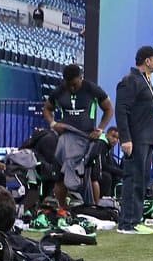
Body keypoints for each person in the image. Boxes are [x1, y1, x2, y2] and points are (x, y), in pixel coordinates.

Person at [43, 64, 113, 206]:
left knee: (92, 176)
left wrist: (99, 129)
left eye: (74, 84)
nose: (71, 88)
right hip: (66, 138)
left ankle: (93, 208)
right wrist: (53, 124)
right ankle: (63, 209)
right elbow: (47, 108)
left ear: (81, 78)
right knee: (60, 177)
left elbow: (108, 109)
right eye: (69, 85)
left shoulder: (92, 90)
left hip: (88, 137)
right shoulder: (60, 91)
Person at [113, 45, 153, 235]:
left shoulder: (144, 81)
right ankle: (127, 223)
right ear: (147, 61)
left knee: (141, 180)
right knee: (133, 179)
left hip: (146, 137)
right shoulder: (130, 81)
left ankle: (136, 219)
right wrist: (126, 138)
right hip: (136, 138)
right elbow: (121, 110)